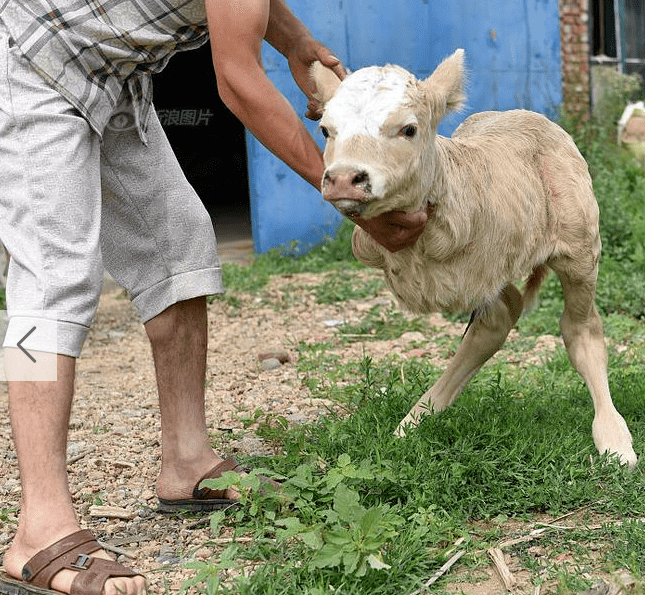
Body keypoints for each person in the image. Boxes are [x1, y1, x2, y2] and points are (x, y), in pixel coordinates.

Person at [0, 1, 427, 594]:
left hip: (112, 77)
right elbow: (239, 83)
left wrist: (297, 42)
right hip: (28, 60)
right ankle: (38, 528)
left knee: (179, 247)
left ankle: (186, 461)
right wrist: (341, 192)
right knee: (50, 280)